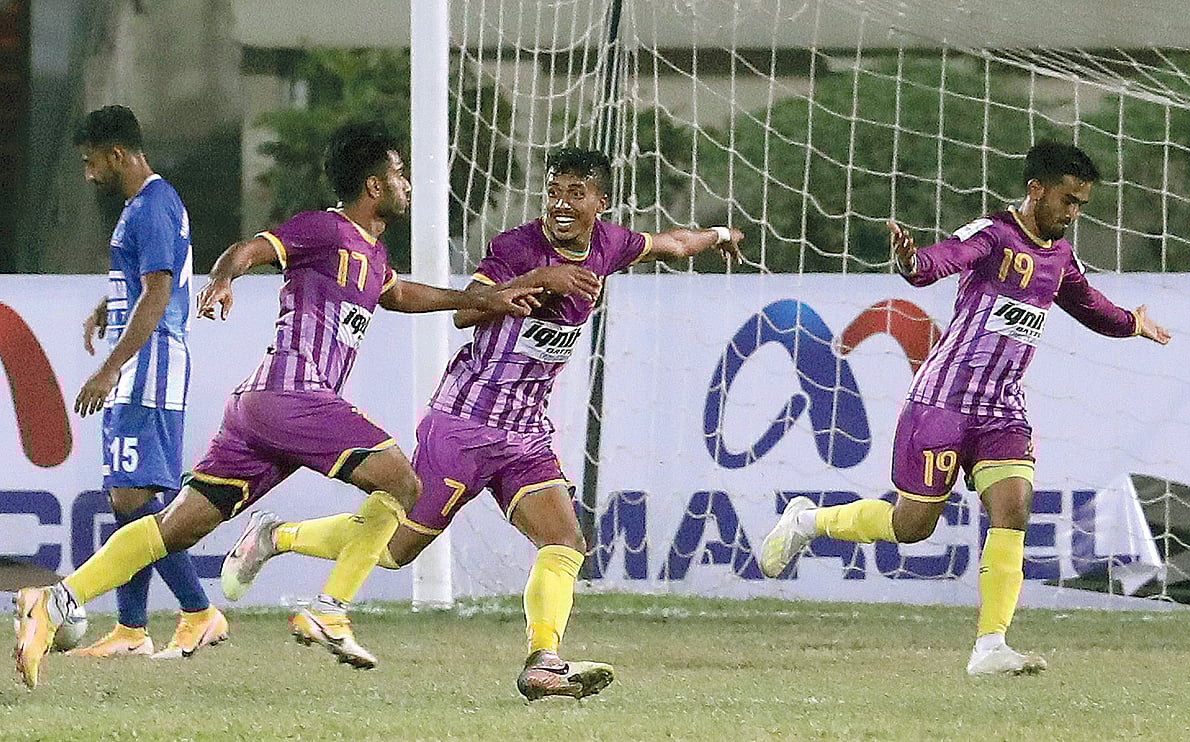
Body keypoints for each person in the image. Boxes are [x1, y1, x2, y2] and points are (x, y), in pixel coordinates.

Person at [13, 120, 539, 689]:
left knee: (174, 529)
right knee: (404, 485)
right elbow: (251, 249)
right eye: (398, 172)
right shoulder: (324, 229)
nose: (406, 182)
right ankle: (331, 608)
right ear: (373, 186)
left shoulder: (371, 253)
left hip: (260, 410)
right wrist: (223, 278)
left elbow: (402, 293)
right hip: (294, 395)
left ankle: (56, 600)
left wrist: (481, 300)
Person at [219, 147, 744, 700]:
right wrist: (542, 279)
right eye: (553, 192)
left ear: (599, 202)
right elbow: (468, 311)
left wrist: (719, 236)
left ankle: (544, 661)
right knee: (397, 551)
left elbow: (672, 243)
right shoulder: (516, 248)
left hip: (524, 432)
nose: (561, 205)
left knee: (564, 539)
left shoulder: (609, 244)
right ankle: (277, 536)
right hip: (463, 423)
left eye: (575, 194)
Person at [759, 140, 1171, 676]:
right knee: (913, 526)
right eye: (1067, 201)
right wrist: (911, 260)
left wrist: (1132, 324)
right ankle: (808, 522)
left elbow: (1090, 307)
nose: (1072, 214)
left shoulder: (1060, 257)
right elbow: (940, 261)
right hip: (943, 402)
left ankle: (990, 646)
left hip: (1002, 407)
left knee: (1014, 505)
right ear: (1036, 190)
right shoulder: (994, 234)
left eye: (1081, 206)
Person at [68, 105, 226, 660]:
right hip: (144, 363)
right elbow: (147, 281)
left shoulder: (152, 207)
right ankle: (133, 630)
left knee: (133, 500)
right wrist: (105, 306)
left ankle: (197, 610)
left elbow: (159, 294)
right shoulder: (147, 205)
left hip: (148, 368)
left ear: (118, 154)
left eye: (92, 163)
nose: (89, 174)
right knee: (127, 499)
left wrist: (110, 365)